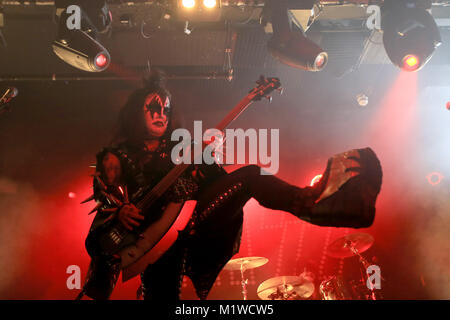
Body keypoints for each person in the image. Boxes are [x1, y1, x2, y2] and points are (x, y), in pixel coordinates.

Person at [79, 70, 382, 300]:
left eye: (166, 109)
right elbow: (102, 208)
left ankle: (315, 200)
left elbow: (215, 184)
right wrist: (119, 212)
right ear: (136, 112)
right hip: (147, 246)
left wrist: (211, 158)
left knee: (249, 175)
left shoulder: (181, 146)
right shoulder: (117, 157)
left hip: (190, 227)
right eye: (153, 109)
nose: (162, 115)